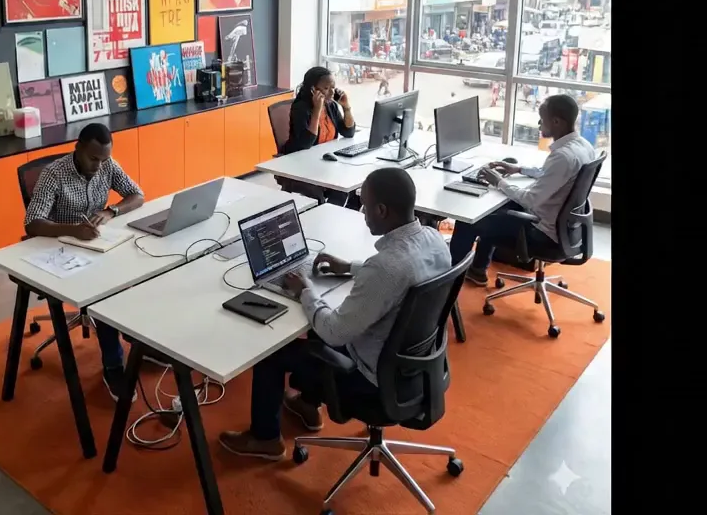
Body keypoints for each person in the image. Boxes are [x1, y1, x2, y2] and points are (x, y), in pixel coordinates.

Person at [218, 168, 452, 460]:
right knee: (316, 323)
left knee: (273, 353)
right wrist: (350, 267)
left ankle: (265, 438)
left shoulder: (386, 267)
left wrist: (305, 290)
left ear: (382, 210)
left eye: (366, 205)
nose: (363, 213)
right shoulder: (434, 240)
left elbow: (334, 332)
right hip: (415, 366)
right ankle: (307, 405)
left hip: (373, 380)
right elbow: (402, 273)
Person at [23, 123, 158, 400]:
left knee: (142, 271)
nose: (98, 166)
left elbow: (137, 195)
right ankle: (114, 367)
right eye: (93, 158)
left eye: (104, 159)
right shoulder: (54, 174)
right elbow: (32, 223)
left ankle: (138, 340)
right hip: (60, 250)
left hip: (98, 244)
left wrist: (111, 211)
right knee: (105, 294)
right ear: (79, 148)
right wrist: (73, 230)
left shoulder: (107, 165)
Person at [449, 94, 596, 287]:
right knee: (498, 208)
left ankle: (449, 284)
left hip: (542, 233)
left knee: (468, 220)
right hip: (565, 229)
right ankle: (478, 270)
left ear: (556, 122)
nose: (539, 124)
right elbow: (549, 174)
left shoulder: (563, 156)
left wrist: (499, 181)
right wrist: (518, 169)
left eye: (542, 119)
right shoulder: (583, 146)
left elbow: (529, 200)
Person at [281, 66, 358, 208]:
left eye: (333, 88)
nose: (332, 93)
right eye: (326, 88)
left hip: (323, 162)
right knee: (335, 189)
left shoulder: (331, 106)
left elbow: (349, 132)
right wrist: (317, 110)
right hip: (301, 165)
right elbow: (306, 143)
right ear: (313, 89)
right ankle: (326, 213)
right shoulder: (300, 108)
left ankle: (334, 213)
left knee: (348, 186)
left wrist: (346, 107)